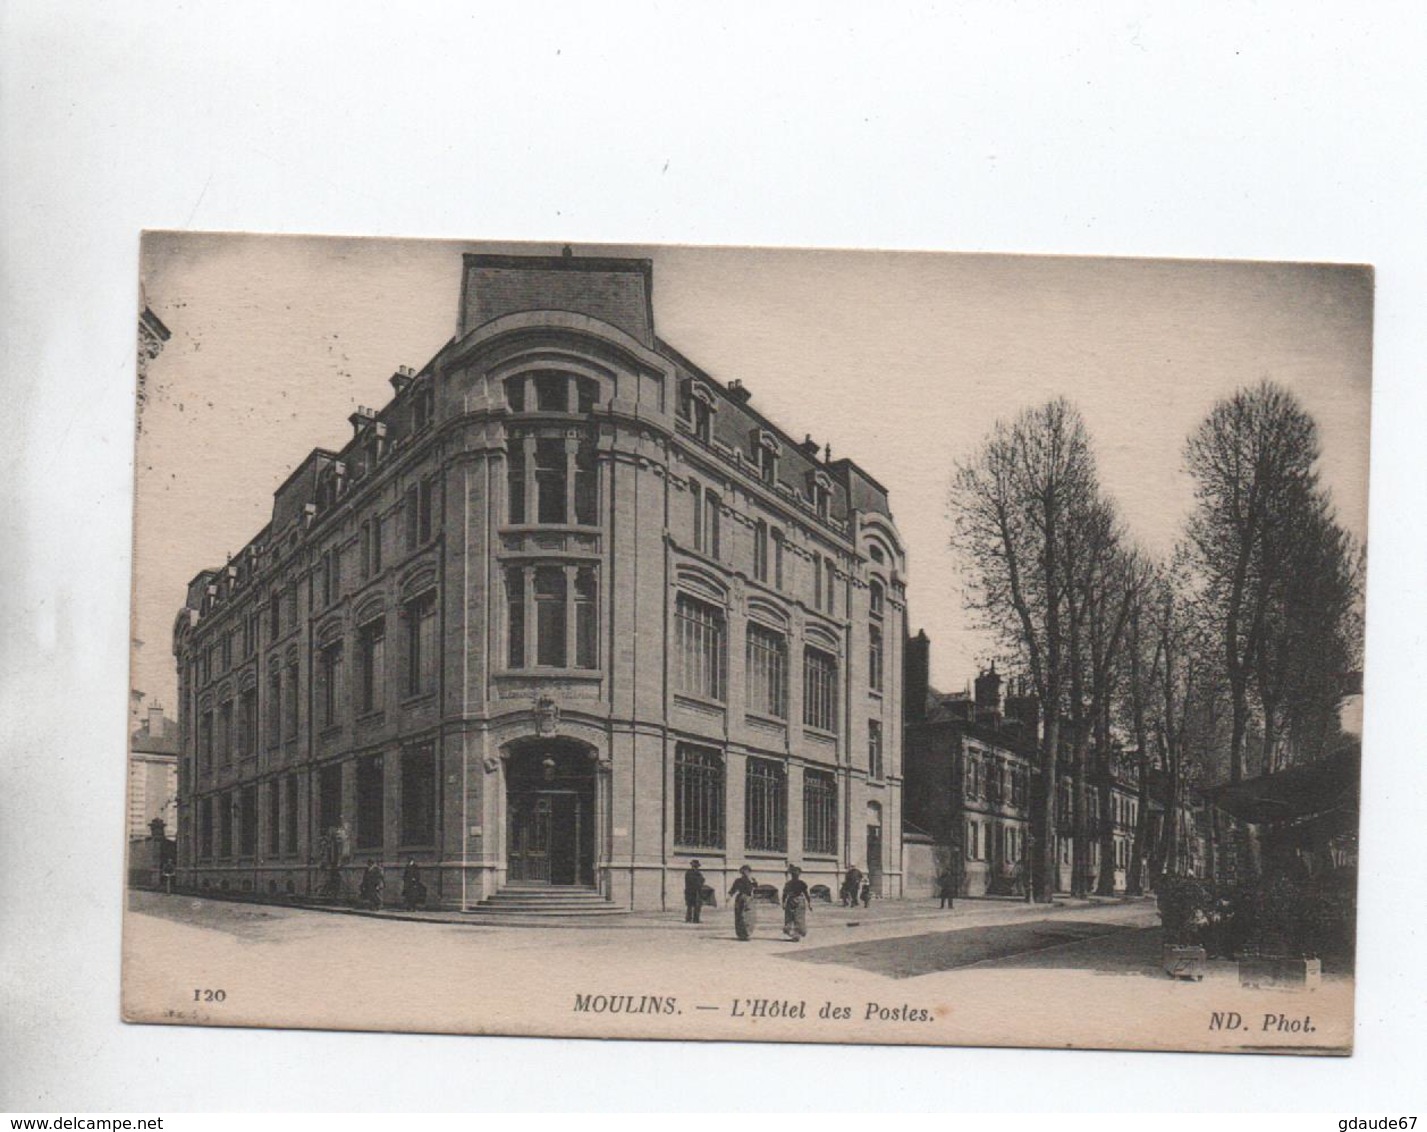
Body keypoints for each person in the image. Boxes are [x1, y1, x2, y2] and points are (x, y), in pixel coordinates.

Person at [729, 865, 758, 942]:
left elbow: (756, 889)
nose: (746, 873)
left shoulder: (752, 880)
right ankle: (741, 934)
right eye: (744, 871)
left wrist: (754, 883)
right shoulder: (738, 880)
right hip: (740, 899)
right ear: (742, 872)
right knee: (739, 916)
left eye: (748, 871)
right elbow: (733, 889)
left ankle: (747, 933)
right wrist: (729, 896)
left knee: (748, 917)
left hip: (749, 899)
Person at [782, 865, 811, 940]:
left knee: (796, 918)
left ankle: (796, 934)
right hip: (795, 900)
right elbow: (784, 894)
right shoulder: (790, 884)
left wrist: (809, 903)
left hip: (795, 900)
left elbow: (806, 893)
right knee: (793, 918)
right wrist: (783, 902)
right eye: (794, 874)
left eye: (796, 874)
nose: (795, 876)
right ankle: (795, 934)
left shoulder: (799, 883)